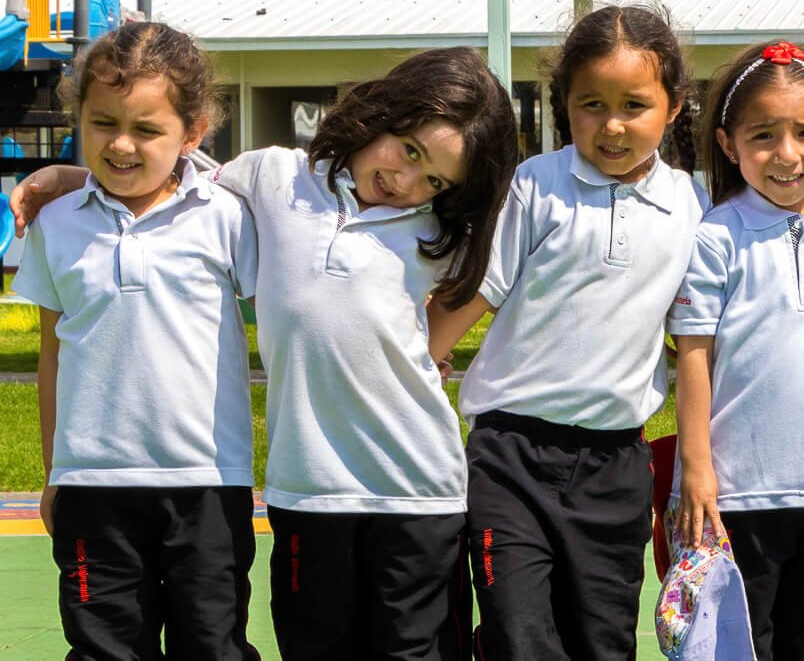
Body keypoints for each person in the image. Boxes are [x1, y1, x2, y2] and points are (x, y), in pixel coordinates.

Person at [12, 46, 518, 660]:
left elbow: (448, 313)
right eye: (409, 151)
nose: (407, 182)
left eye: (435, 179)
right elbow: (164, 170)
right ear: (383, 111)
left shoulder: (440, 232)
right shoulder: (271, 179)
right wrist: (72, 179)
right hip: (305, 492)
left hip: (419, 491)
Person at [426, 4, 708, 660]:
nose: (612, 125)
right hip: (508, 457)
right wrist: (411, 360)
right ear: (565, 105)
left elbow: (697, 341)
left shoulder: (692, 208)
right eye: (591, 104)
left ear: (673, 106)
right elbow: (474, 293)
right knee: (518, 635)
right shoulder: (536, 185)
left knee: (601, 643)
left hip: (616, 470)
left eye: (634, 104)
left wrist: (699, 461)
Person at [12, 21, 260, 660]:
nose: (121, 145)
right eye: (103, 123)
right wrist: (55, 473)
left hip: (208, 482)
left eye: (147, 130)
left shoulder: (227, 217)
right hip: (93, 486)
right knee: (103, 650)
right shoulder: (55, 224)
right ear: (80, 118)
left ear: (193, 133)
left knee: (213, 647)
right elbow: (53, 354)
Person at [667, 40, 804, 661]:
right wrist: (697, 471)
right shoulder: (716, 236)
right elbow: (693, 357)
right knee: (738, 649)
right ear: (729, 144)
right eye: (763, 137)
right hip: (736, 495)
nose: (786, 155)